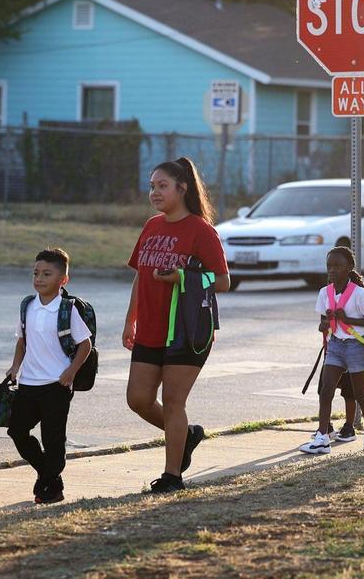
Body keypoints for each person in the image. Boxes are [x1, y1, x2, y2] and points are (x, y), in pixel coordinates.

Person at [123, 157, 229, 494]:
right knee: (138, 399)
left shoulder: (201, 230)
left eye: (162, 185)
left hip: (187, 330)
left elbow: (223, 281)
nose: (154, 192)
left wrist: (183, 276)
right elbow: (140, 276)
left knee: (172, 402)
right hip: (151, 328)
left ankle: (172, 475)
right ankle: (187, 436)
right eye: (152, 186)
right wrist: (131, 319)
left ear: (182, 189)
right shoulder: (151, 226)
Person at [6, 248, 93, 504]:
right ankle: (49, 476)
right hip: (29, 383)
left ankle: (50, 486)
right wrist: (15, 367)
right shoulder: (27, 306)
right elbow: (22, 341)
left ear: (63, 280)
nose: (39, 279)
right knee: (17, 431)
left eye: (47, 274)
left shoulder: (67, 309)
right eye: (36, 273)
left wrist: (71, 371)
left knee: (53, 440)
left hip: (56, 384)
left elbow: (85, 344)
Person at [300, 246, 364, 455]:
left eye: (338, 266)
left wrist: (347, 319)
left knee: (359, 393)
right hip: (335, 345)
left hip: (356, 346)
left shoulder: (360, 294)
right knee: (325, 391)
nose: (332, 270)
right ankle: (322, 437)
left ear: (349, 268)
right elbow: (323, 323)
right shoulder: (324, 293)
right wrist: (326, 323)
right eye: (329, 266)